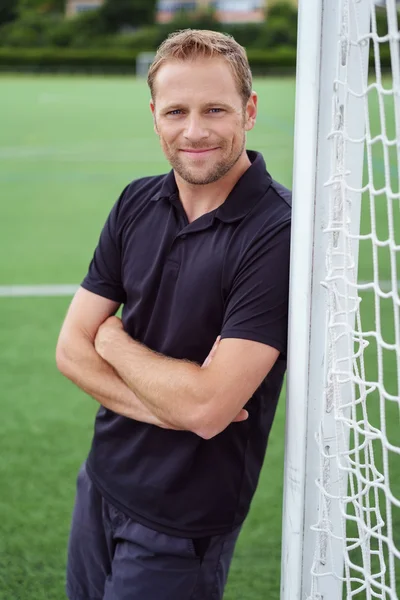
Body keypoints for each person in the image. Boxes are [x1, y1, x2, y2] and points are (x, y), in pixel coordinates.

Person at [56, 28, 291, 600]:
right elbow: (68, 351)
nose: (195, 131)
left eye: (215, 109)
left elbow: (210, 408)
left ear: (249, 110)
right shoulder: (136, 200)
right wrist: (172, 411)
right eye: (176, 111)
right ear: (155, 116)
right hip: (103, 484)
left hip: (183, 519)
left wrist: (111, 342)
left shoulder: (279, 232)